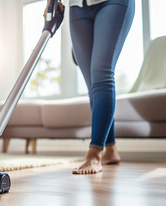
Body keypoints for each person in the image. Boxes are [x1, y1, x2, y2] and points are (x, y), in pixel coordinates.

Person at [44, 0, 135, 174]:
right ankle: (111, 150)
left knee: (102, 75)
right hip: (78, 6)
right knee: (93, 86)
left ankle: (94, 154)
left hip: (113, 3)